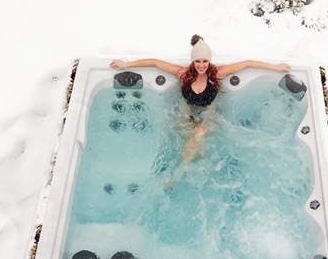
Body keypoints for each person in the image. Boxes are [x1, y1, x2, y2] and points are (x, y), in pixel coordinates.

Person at [110, 34, 290, 188]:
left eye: (205, 61)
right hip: (186, 110)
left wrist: (276, 68)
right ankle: (188, 163)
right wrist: (126, 65)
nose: (201, 65)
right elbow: (155, 63)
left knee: (197, 137)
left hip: (208, 112)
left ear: (209, 61)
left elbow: (248, 64)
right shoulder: (183, 74)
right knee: (183, 138)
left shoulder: (218, 74)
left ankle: (176, 176)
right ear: (192, 61)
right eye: (197, 61)